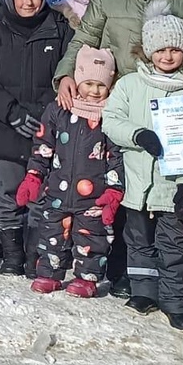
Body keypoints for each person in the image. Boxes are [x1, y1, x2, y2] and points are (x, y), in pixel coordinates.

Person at [102, 0, 183, 331]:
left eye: (175, 49)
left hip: (171, 184)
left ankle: (176, 302)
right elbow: (111, 120)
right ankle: (144, 290)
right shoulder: (131, 85)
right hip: (136, 185)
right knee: (139, 241)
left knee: (175, 246)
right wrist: (138, 134)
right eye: (160, 50)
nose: (168, 56)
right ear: (148, 51)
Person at [0, 0, 73, 277]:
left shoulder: (59, 28)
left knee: (42, 195)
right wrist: (11, 112)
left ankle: (36, 254)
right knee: (7, 194)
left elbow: (68, 72)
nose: (28, 2)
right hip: (4, 126)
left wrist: (46, 114)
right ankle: (12, 254)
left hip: (47, 127)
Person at [19, 45, 124, 297]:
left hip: (94, 195)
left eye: (100, 86)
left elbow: (116, 156)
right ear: (77, 81)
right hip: (57, 190)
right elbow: (43, 146)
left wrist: (114, 190)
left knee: (91, 238)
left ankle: (86, 278)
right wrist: (34, 177)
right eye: (88, 83)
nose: (94, 91)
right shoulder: (59, 109)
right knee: (52, 234)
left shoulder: (111, 115)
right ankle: (49, 274)